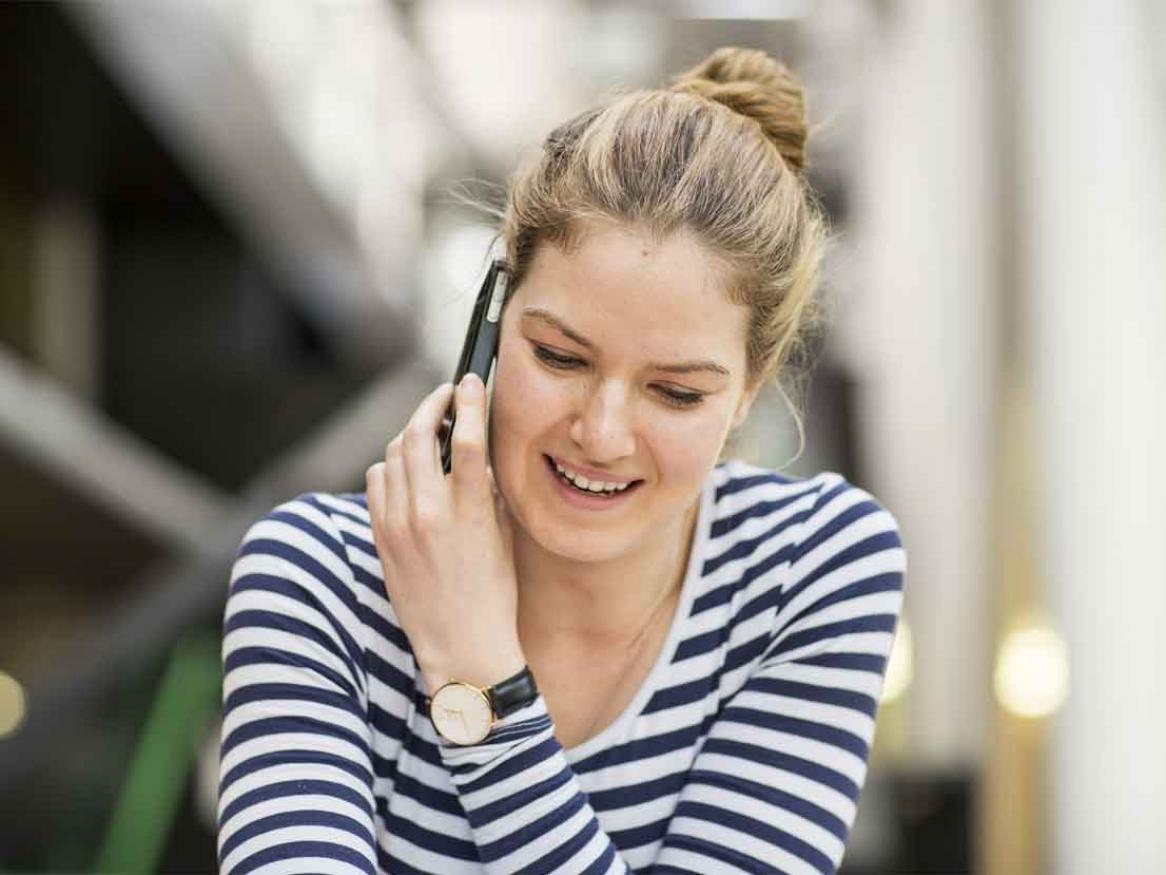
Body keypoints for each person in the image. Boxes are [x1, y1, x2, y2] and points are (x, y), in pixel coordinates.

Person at [217, 46, 906, 875]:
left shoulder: (811, 570)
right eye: (561, 357)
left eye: (676, 393)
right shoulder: (319, 578)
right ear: (490, 323)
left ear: (746, 394)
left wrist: (476, 668)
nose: (603, 433)